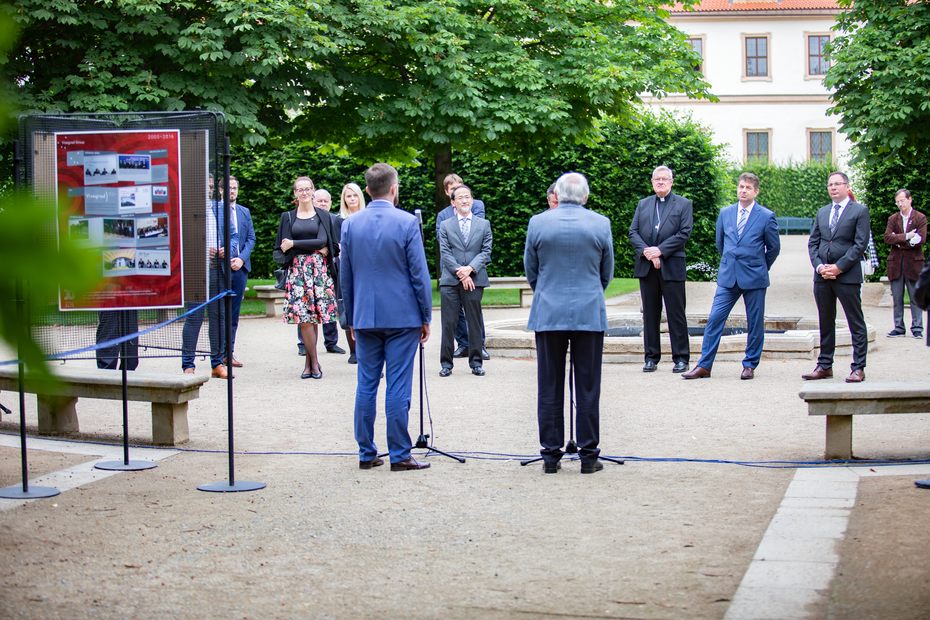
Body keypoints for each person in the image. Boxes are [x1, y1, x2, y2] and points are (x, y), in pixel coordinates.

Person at [341, 163, 432, 471]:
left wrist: (350, 318)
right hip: (402, 316)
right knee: (398, 385)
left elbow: (346, 277)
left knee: (366, 384)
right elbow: (419, 274)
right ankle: (400, 454)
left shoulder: (350, 225)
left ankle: (366, 452)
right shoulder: (407, 222)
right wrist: (425, 315)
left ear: (367, 190)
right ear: (394, 188)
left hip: (365, 315)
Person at [524, 172, 614, 474]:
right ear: (585, 196)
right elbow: (606, 272)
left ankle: (551, 456)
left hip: (549, 311)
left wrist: (547, 292)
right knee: (588, 387)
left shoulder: (538, 222)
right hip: (588, 311)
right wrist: (589, 293)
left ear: (558, 195)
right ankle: (589, 455)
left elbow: (531, 270)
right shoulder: (600, 223)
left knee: (549, 385)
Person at [682, 172, 780, 380]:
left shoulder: (766, 216)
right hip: (728, 277)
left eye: (748, 188)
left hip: (754, 277)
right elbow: (721, 243)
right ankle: (704, 365)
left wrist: (760, 266)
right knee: (714, 319)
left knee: (755, 322)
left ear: (756, 192)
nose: (743, 191)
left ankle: (749, 365)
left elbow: (773, 248)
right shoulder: (725, 213)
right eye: (741, 186)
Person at [803, 171, 870, 383]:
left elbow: (860, 244)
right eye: (830, 184)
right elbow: (813, 243)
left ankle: (858, 367)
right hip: (822, 276)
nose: (833, 187)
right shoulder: (822, 212)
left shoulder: (859, 211)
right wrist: (819, 266)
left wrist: (839, 267)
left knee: (855, 321)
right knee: (825, 320)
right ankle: (824, 365)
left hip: (847, 276)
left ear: (847, 187)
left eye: (837, 184)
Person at [628, 165, 693, 374]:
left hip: (672, 266)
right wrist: (648, 252)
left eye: (665, 179)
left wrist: (660, 251)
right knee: (650, 314)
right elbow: (633, 232)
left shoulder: (683, 204)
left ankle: (681, 358)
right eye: (657, 179)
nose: (661, 182)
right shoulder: (643, 204)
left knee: (676, 314)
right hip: (647, 267)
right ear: (652, 182)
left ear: (671, 182)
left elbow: (684, 233)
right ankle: (651, 357)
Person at [275, 176, 339, 380]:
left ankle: (309, 365)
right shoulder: (288, 217)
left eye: (307, 189)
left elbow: (322, 240)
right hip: (297, 271)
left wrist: (294, 244)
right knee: (304, 318)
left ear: (313, 191)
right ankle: (314, 363)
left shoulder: (323, 215)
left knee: (314, 318)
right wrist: (309, 247)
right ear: (295, 193)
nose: (304, 192)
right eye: (299, 189)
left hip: (318, 271)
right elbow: (281, 246)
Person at [182, 176, 239, 379]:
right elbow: (180, 240)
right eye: (205, 186)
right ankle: (188, 365)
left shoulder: (219, 208)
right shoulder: (186, 210)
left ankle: (217, 364)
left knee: (218, 318)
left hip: (217, 270)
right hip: (196, 271)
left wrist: (227, 249)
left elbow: (234, 236)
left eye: (211, 186)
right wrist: (201, 249)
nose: (209, 190)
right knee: (194, 317)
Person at [438, 185, 492, 377]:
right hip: (450, 280)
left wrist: (470, 269)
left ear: (472, 200)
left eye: (467, 197)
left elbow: (486, 251)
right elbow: (445, 252)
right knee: (448, 323)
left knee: (474, 322)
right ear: (453, 202)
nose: (464, 200)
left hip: (475, 279)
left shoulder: (483, 224)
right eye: (460, 197)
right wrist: (460, 273)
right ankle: (446, 364)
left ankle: (476, 363)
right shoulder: (445, 225)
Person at [883, 189, 926, 339]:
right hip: (896, 264)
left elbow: (921, 239)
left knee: (915, 297)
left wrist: (898, 240)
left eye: (902, 200)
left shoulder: (920, 217)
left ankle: (917, 328)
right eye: (897, 202)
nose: (900, 204)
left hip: (914, 264)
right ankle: (899, 328)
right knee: (897, 298)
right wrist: (907, 236)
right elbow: (887, 238)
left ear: (910, 199)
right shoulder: (893, 219)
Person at [309, 188, 346, 356]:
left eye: (326, 201)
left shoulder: (337, 221)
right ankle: (304, 343)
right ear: (313, 201)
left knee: (330, 304)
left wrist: (329, 250)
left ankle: (331, 342)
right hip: (309, 268)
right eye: (319, 201)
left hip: (331, 267)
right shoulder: (306, 219)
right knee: (306, 305)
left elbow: (340, 245)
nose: (323, 204)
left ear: (331, 203)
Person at [333, 182, 367, 364]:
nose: (352, 199)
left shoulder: (367, 217)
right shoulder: (339, 220)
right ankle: (353, 350)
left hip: (365, 267)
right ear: (344, 199)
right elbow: (338, 246)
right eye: (348, 196)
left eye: (355, 195)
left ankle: (366, 348)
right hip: (346, 266)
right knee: (347, 305)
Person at [227, 176, 255, 368]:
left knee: (234, 314)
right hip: (221, 266)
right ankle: (218, 353)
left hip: (240, 267)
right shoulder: (214, 210)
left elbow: (251, 238)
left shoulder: (244, 211)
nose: (232, 191)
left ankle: (229, 353)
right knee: (220, 313)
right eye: (228, 188)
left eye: (235, 188)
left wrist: (241, 259)